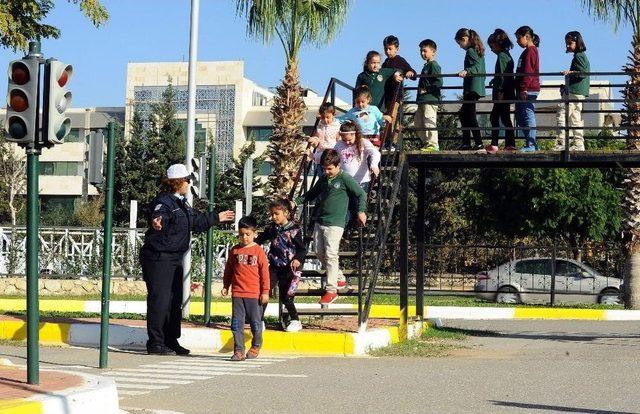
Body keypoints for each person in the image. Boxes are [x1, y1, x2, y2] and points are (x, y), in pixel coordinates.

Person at [140, 163, 234, 356]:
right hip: (159, 258)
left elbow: (196, 222)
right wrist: (158, 221)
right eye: (187, 180)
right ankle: (156, 343)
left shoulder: (182, 203)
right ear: (178, 182)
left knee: (174, 301)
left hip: (174, 258)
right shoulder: (164, 201)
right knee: (160, 300)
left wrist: (217, 217)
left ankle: (171, 340)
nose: (189, 183)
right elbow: (159, 215)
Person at [293, 149, 367, 305]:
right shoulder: (324, 179)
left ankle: (331, 290)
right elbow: (311, 194)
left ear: (338, 165)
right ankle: (339, 277)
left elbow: (361, 194)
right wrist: (295, 201)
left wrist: (361, 211)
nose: (327, 172)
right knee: (319, 253)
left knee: (331, 255)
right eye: (325, 169)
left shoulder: (345, 178)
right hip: (321, 221)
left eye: (330, 169)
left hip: (336, 223)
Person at [222, 216, 270, 361]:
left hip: (254, 294)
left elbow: (264, 274)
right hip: (237, 293)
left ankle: (256, 345)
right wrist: (226, 286)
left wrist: (265, 292)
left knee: (255, 322)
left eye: (248, 234)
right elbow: (229, 270)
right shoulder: (235, 251)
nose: (244, 237)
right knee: (236, 323)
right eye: (241, 234)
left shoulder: (259, 252)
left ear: (255, 234)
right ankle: (239, 350)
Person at [256, 199, 306, 333]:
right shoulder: (272, 228)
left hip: (290, 269)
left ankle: (295, 320)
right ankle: (259, 320)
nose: (274, 217)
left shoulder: (294, 230)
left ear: (286, 213)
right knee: (264, 292)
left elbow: (302, 249)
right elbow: (261, 239)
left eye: (277, 214)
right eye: (272, 214)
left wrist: (297, 259)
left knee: (286, 297)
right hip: (274, 267)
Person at [555, 31, 590, 151]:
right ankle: (578, 143)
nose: (568, 46)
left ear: (577, 42)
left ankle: (562, 143)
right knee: (575, 118)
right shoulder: (580, 55)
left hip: (575, 91)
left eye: (570, 43)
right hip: (577, 91)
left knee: (562, 114)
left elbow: (583, 73)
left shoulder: (579, 56)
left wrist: (570, 73)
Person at [455, 28, 487, 151]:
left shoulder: (471, 51)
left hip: (472, 88)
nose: (460, 46)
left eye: (459, 43)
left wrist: (467, 71)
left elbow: (477, 68)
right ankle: (467, 142)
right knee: (464, 114)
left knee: (469, 115)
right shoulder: (477, 50)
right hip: (475, 88)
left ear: (464, 39)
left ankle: (477, 143)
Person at [486, 29, 516, 154]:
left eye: (492, 46)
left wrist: (498, 87)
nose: (491, 49)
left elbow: (503, 76)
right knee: (503, 117)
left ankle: (497, 143)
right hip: (505, 91)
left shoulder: (502, 56)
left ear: (497, 44)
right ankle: (508, 143)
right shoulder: (506, 55)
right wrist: (495, 79)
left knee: (496, 117)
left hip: (502, 93)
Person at [514, 25, 541, 152]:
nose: (517, 41)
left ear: (526, 36)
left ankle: (531, 144)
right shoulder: (526, 51)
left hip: (528, 88)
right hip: (523, 89)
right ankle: (530, 143)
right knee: (520, 116)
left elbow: (529, 71)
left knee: (528, 114)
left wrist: (524, 88)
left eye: (519, 38)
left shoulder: (531, 51)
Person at [334, 120, 381, 192]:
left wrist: (374, 165)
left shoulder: (363, 142)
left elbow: (375, 153)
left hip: (361, 181)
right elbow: (333, 156)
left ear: (355, 135)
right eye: (344, 140)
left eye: (349, 140)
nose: (347, 142)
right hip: (345, 181)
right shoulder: (339, 144)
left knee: (360, 202)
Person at [414, 38, 442, 152]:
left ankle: (433, 144)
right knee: (418, 122)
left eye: (425, 51)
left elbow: (439, 82)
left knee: (429, 120)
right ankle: (427, 142)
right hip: (422, 100)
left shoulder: (433, 65)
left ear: (433, 52)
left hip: (430, 99)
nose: (422, 53)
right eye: (421, 51)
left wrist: (427, 90)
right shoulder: (426, 66)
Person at [382, 35, 417, 115]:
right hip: (386, 96)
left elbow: (412, 73)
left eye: (390, 49)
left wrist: (409, 72)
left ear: (397, 49)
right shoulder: (385, 63)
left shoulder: (400, 60)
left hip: (396, 96)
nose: (387, 51)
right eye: (385, 49)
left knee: (394, 117)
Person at [308, 102, 341, 176]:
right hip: (320, 158)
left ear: (333, 114)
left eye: (328, 117)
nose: (325, 120)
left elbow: (339, 142)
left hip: (331, 159)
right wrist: (314, 140)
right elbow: (317, 139)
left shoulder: (337, 127)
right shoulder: (319, 125)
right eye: (323, 117)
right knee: (322, 181)